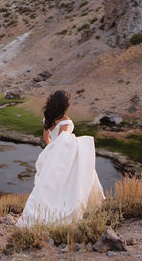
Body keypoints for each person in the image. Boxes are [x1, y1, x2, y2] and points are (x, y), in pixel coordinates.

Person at [17, 90, 104, 227]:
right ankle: (76, 209)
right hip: (64, 155)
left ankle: (43, 210)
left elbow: (47, 139)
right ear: (64, 106)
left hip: (51, 154)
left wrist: (51, 151)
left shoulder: (48, 118)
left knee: (51, 185)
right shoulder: (65, 122)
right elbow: (63, 143)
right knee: (76, 178)